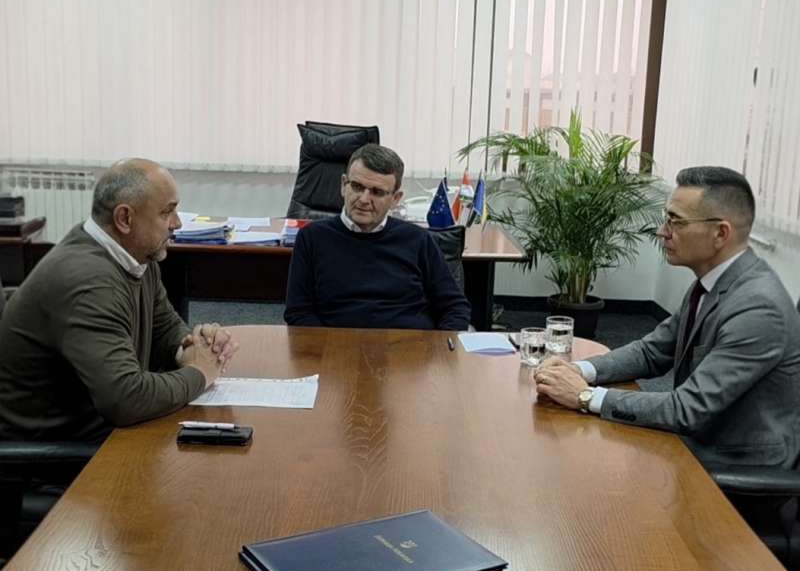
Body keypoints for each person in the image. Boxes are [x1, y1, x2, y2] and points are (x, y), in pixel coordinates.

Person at [534, 166, 800, 469]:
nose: (663, 231)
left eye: (676, 221)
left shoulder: (758, 308)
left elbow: (687, 408)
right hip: (697, 439)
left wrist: (584, 395)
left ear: (720, 233)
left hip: (735, 466)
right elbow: (651, 352)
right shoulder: (712, 283)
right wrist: (578, 370)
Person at [0, 158, 238, 442]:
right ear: (125, 219)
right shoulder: (88, 281)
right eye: (167, 212)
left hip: (102, 431)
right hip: (55, 452)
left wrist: (194, 345)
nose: (177, 223)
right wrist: (200, 372)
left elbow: (164, 327)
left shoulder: (137, 257)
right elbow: (126, 399)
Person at [284, 144, 471, 330]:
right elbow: (298, 312)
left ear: (395, 199)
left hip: (409, 344)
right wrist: (326, 346)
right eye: (357, 187)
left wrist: (438, 346)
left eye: (377, 192)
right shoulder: (312, 238)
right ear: (343, 185)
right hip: (337, 344)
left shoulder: (419, 240)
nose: (364, 199)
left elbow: (455, 307)